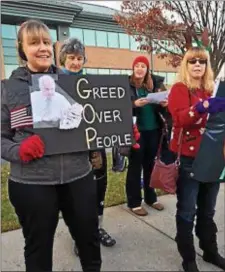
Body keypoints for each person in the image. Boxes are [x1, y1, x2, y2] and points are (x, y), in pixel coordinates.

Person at [1, 20, 101, 272]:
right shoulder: (7, 88)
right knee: (38, 249)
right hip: (32, 183)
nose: (43, 48)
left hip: (79, 176)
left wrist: (119, 131)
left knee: (89, 242)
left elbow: (95, 122)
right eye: (34, 42)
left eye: (46, 41)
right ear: (22, 50)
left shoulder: (74, 83)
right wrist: (18, 150)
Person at [168, 46, 225, 272]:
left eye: (202, 61)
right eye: (193, 62)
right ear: (186, 65)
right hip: (190, 159)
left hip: (212, 158)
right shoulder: (180, 89)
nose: (198, 65)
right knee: (187, 210)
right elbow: (181, 119)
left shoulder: (213, 89)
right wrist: (201, 107)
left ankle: (210, 250)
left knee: (208, 210)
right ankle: (188, 258)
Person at [59, 37, 116, 252]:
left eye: (79, 58)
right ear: (64, 58)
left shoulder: (93, 83)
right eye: (72, 58)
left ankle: (98, 228)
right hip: (71, 147)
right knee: (77, 195)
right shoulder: (54, 82)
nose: (75, 62)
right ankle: (80, 235)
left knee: (99, 188)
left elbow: (107, 113)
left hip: (95, 144)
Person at [126, 55, 167, 216]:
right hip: (136, 131)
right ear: (133, 68)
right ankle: (134, 202)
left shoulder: (155, 84)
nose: (140, 68)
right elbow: (118, 105)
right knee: (135, 167)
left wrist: (164, 103)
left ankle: (151, 198)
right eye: (137, 65)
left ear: (147, 69)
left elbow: (165, 104)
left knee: (151, 165)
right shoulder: (126, 85)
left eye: (143, 66)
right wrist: (134, 104)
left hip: (154, 131)